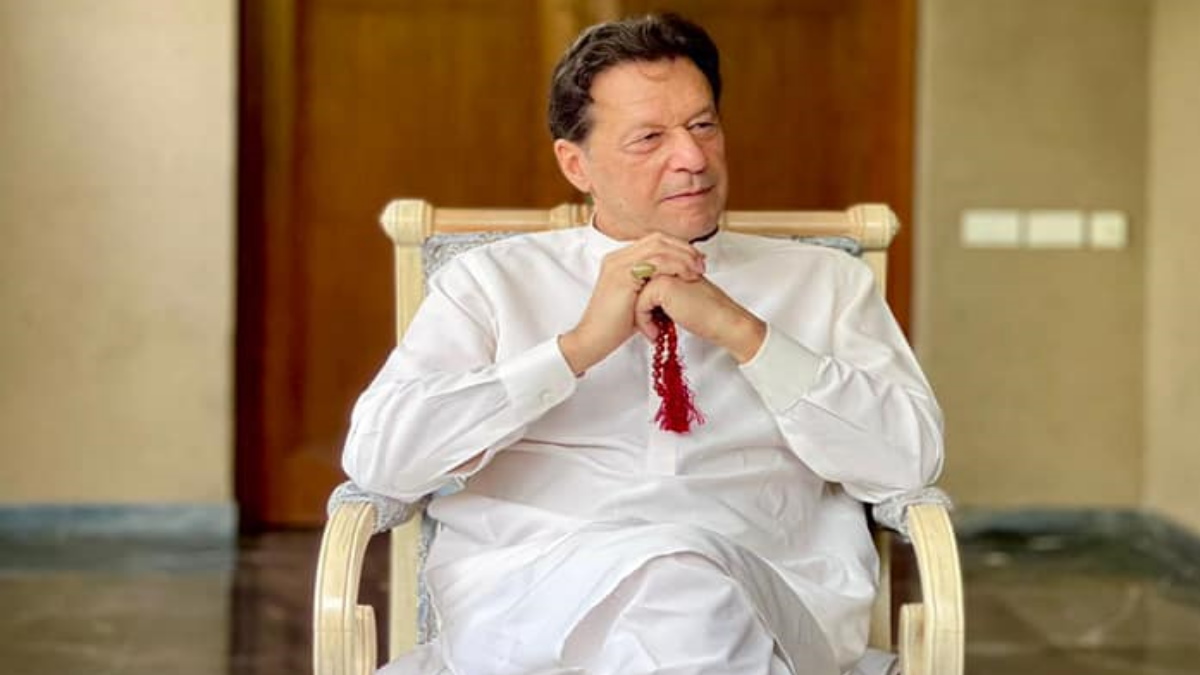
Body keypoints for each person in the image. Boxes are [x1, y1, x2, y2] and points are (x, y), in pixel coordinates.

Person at [342, 13, 943, 675]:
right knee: (673, 583)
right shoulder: (491, 282)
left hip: (767, 596)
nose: (692, 158)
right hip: (537, 601)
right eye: (650, 138)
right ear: (576, 164)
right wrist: (573, 349)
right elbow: (382, 461)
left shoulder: (825, 282)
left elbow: (908, 461)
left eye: (703, 125)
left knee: (683, 579)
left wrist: (744, 333)